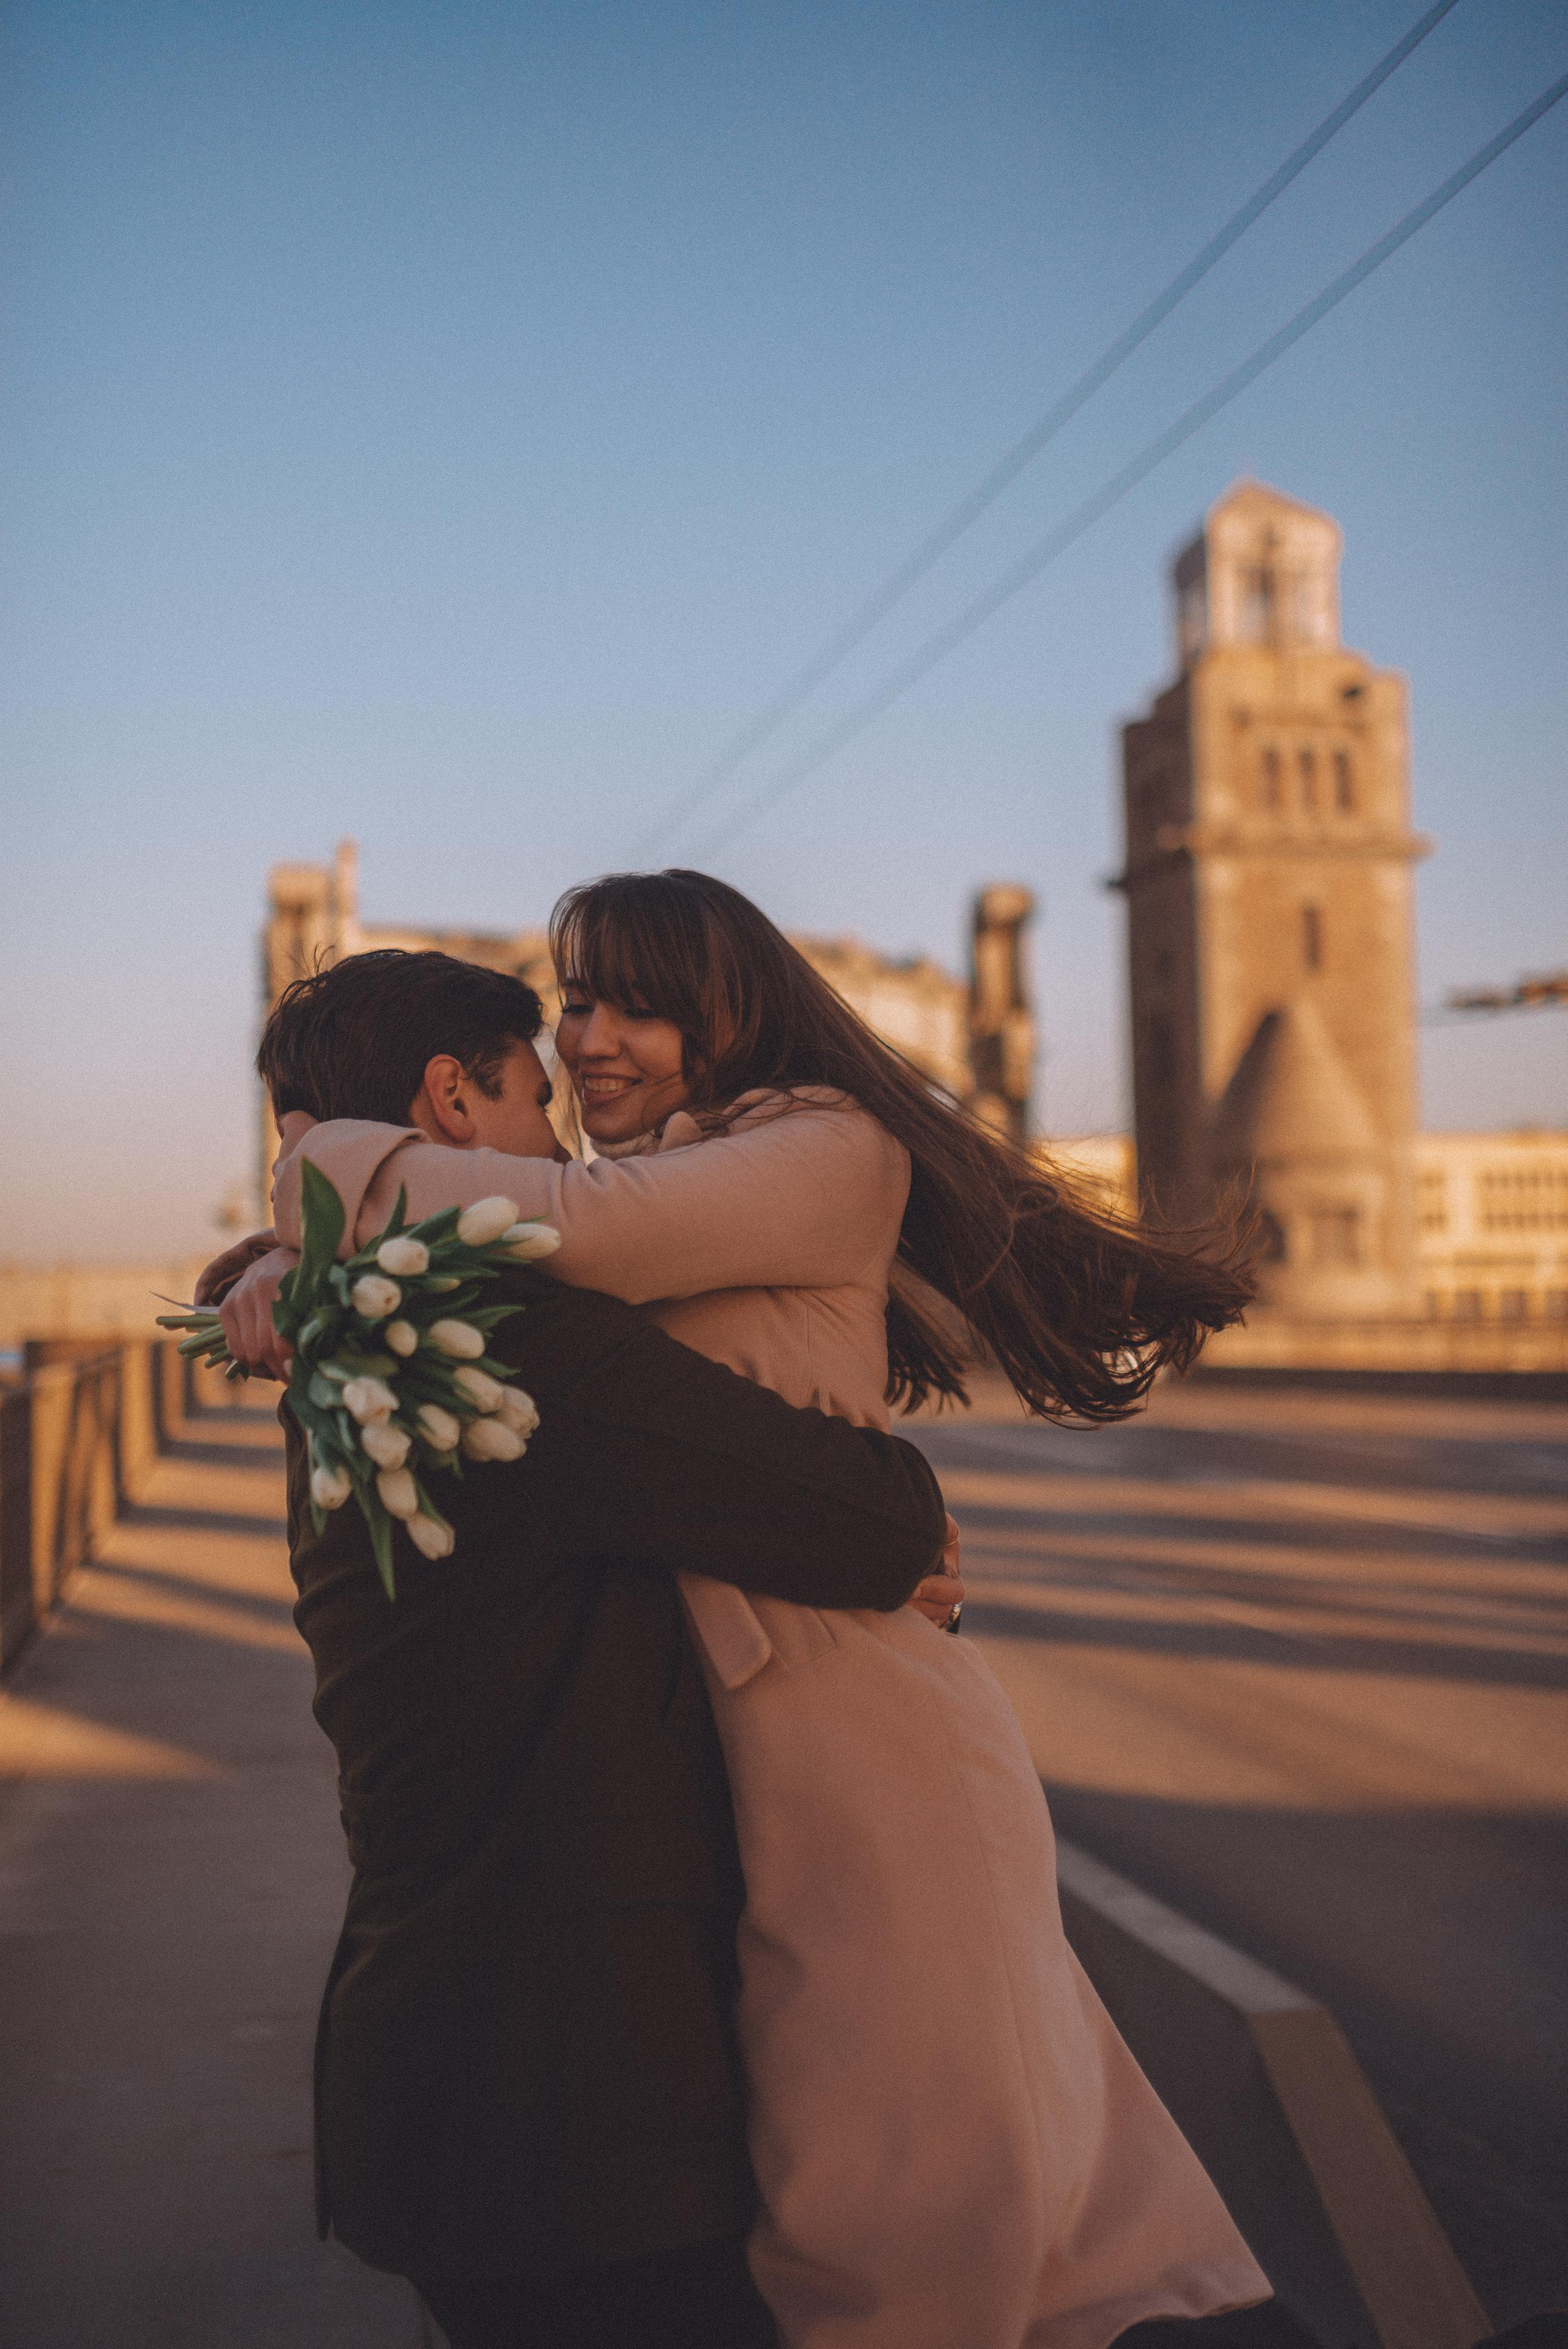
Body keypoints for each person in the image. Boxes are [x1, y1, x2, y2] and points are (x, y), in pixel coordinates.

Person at [211, 872, 1272, 2348]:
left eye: (636, 1003)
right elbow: (590, 1276)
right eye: (572, 1009)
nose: (589, 1045)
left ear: (732, 1010)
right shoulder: (488, 1293)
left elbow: (576, 1231)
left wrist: (312, 1188)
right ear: (457, 1102)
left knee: (923, 2222)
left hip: (856, 1726)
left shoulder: (810, 1152)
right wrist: (287, 1253)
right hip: (745, 1753)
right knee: (915, 2202)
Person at [212, 950, 960, 2349]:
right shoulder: (490, 1333)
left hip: (455, 2078)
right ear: (449, 1103)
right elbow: (866, 1522)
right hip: (572, 2119)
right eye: (533, 1102)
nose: (554, 1151)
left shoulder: (345, 1335)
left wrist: (268, 1255)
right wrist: (915, 1510)